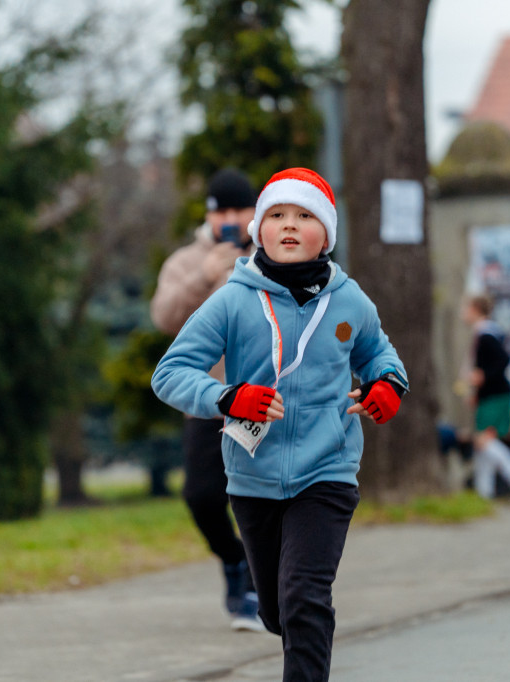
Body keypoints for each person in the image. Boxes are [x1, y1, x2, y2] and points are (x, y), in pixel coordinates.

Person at [152, 167, 408, 681]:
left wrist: (387, 385)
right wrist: (228, 397)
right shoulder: (233, 299)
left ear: (326, 234)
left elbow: (380, 355)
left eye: (304, 216)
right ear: (260, 230)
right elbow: (170, 373)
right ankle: (286, 619)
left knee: (304, 598)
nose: (289, 225)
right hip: (254, 479)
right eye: (277, 215)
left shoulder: (349, 301)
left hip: (328, 471)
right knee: (277, 611)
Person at [150, 168, 263, 631]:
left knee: (257, 498)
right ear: (209, 215)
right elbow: (163, 317)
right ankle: (233, 559)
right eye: (223, 211)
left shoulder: (270, 255)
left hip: (263, 402)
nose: (231, 220)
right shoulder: (186, 262)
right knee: (201, 497)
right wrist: (205, 275)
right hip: (208, 401)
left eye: (240, 210)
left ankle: (254, 589)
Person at [461, 295, 510, 503]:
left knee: (484, 440)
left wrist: (483, 376)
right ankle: (484, 493)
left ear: (475, 309)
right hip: (489, 395)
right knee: (483, 444)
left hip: (495, 395)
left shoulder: (486, 335)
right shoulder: (487, 332)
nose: (463, 313)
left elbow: (503, 359)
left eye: (465, 308)